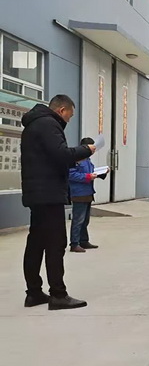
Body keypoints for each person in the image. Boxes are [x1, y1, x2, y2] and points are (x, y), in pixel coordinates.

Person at [21, 94, 95, 310]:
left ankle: (34, 292)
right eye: (69, 116)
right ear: (62, 110)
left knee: (36, 242)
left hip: (37, 193)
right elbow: (61, 154)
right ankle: (58, 295)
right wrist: (86, 150)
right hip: (48, 194)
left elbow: (51, 157)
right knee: (55, 243)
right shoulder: (48, 124)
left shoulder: (34, 124)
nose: (69, 120)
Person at [68, 137, 108, 253]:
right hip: (79, 193)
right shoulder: (75, 160)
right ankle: (74, 243)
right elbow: (71, 175)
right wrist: (87, 177)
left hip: (88, 193)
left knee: (85, 220)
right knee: (78, 220)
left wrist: (102, 173)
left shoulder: (88, 160)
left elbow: (91, 172)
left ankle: (84, 241)